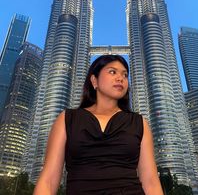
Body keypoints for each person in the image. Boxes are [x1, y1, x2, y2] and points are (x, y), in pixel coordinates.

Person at [33, 55, 164, 195]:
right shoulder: (67, 119)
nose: (121, 78)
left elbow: (151, 182)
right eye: (112, 72)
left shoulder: (139, 123)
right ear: (94, 80)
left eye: (125, 75)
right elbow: (48, 180)